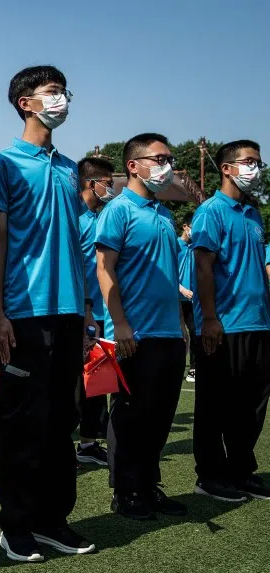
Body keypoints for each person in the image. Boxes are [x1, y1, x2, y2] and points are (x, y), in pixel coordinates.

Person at [0, 65, 96, 563]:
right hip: (24, 314)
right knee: (22, 424)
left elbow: (73, 244)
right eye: (52, 92)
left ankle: (53, 520)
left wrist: (86, 308)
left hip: (68, 312)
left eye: (63, 91)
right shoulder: (4, 163)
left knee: (60, 421)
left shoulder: (69, 168)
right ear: (25, 103)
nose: (61, 99)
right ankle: (17, 526)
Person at [95, 133, 188, 520]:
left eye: (169, 159)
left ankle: (148, 485)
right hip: (135, 334)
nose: (167, 166)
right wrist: (120, 323)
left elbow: (169, 277)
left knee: (160, 416)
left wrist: (180, 324)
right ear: (133, 166)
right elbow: (104, 269)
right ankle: (126, 491)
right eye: (159, 159)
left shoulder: (164, 215)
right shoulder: (118, 210)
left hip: (169, 333)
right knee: (130, 417)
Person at [191, 140, 270, 502]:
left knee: (252, 405)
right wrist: (209, 318)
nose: (256, 168)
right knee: (215, 404)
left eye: (258, 162)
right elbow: (203, 267)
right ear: (226, 168)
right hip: (224, 324)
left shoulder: (253, 214)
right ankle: (210, 475)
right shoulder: (211, 211)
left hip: (257, 323)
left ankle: (241, 469)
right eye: (249, 161)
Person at [75, 157, 116, 467]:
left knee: (97, 383)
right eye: (108, 183)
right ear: (91, 183)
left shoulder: (102, 218)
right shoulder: (73, 219)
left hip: (102, 312)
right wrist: (85, 309)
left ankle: (89, 443)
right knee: (74, 383)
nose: (111, 188)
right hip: (78, 312)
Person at [177, 215, 197, 383]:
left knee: (195, 332)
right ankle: (177, 366)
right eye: (193, 226)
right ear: (185, 226)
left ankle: (193, 369)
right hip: (175, 299)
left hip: (192, 300)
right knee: (179, 335)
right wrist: (181, 289)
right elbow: (167, 272)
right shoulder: (175, 245)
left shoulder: (197, 247)